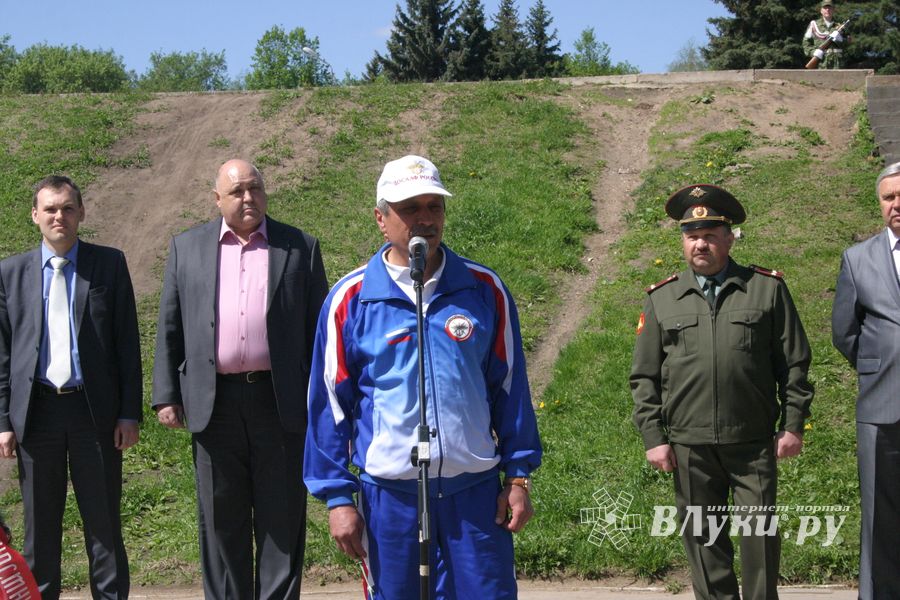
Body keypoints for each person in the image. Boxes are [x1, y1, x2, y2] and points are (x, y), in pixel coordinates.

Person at [304, 155, 542, 599]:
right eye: (410, 208)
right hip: (389, 501)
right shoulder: (350, 299)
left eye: (434, 207)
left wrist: (517, 478)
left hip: (472, 497)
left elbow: (511, 390)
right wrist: (338, 497)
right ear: (381, 218)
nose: (425, 220)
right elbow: (328, 407)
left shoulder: (484, 289)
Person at [152, 159, 328, 599]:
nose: (248, 198)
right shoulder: (186, 248)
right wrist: (165, 396)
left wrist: (322, 400)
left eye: (255, 189)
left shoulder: (299, 247)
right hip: (214, 406)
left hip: (279, 403)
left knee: (281, 519)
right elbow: (170, 326)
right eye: (236, 192)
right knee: (220, 520)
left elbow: (319, 331)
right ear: (217, 199)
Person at [630, 184, 814, 600]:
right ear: (682, 241)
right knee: (704, 543)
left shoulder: (766, 289)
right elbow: (644, 377)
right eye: (692, 235)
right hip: (690, 446)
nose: (701, 244)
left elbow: (795, 364)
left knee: (759, 541)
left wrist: (794, 424)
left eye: (711, 235)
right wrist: (654, 438)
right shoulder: (663, 299)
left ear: (729, 239)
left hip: (752, 442)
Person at [0, 175, 142, 599]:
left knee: (104, 526)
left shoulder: (109, 264)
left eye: (67, 208)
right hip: (36, 414)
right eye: (50, 209)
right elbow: (3, 355)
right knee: (40, 529)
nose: (58, 216)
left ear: (81, 213)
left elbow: (126, 343)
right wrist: (3, 419)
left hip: (93, 414)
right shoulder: (9, 274)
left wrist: (128, 413)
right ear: (34, 216)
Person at [832, 161, 900, 600]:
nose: (897, 205)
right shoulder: (857, 259)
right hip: (881, 407)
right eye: (888, 197)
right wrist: (881, 368)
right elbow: (845, 333)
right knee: (879, 516)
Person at [803, 0, 848, 69]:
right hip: (821, 63)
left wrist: (840, 40)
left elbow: (849, 43)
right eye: (825, 8)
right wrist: (813, 52)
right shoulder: (813, 25)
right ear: (821, 10)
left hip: (838, 63)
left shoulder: (840, 26)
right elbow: (806, 44)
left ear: (833, 10)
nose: (827, 10)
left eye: (830, 8)